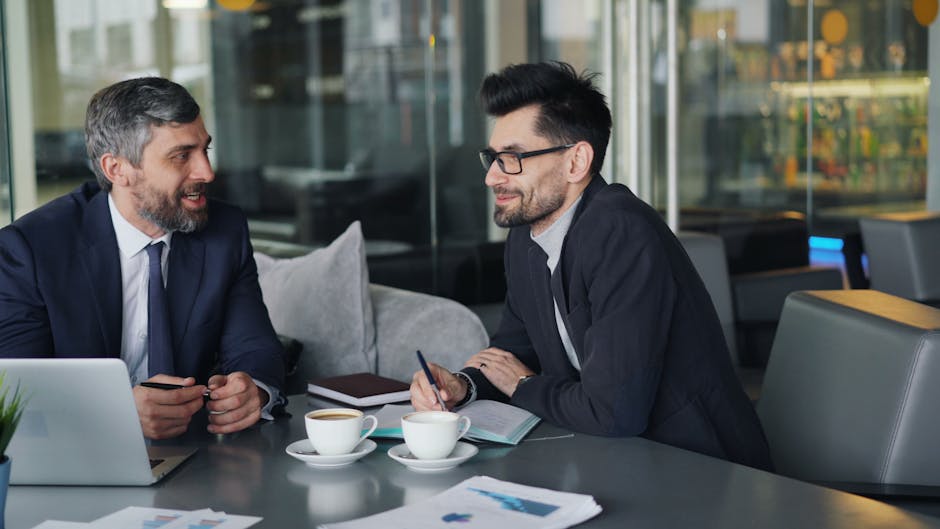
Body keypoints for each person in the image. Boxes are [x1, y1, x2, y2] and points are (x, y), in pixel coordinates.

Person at [410, 62, 773, 470]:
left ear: (576, 162)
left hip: (700, 468)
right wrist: (463, 386)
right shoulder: (525, 238)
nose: (492, 177)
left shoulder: (620, 232)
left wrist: (524, 385)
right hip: (612, 458)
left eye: (512, 158)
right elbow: (513, 351)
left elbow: (614, 411)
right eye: (492, 158)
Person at [0, 77, 286, 440]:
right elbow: (15, 391)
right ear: (117, 169)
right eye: (182, 156)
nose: (206, 173)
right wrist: (116, 410)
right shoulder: (30, 249)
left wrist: (254, 391)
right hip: (77, 457)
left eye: (204, 150)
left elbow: (255, 346)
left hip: (192, 458)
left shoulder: (224, 231)